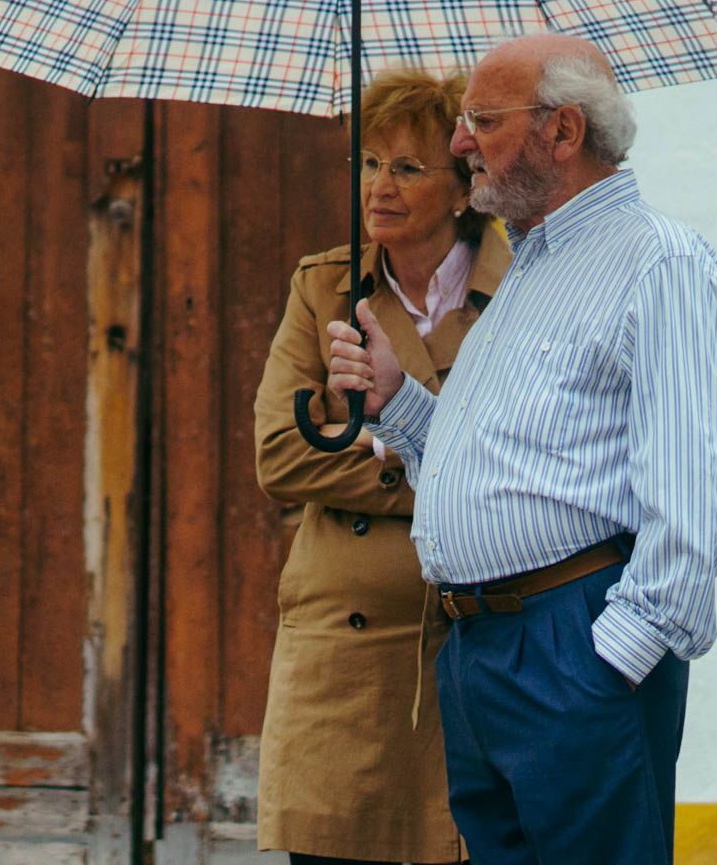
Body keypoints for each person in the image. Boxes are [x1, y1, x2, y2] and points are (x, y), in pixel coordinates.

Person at [325, 34, 717, 865]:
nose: (457, 143)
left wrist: (609, 665)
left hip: (571, 642)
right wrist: (398, 402)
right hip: (481, 651)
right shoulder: (531, 264)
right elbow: (514, 461)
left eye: (481, 119)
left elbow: (697, 491)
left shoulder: (658, 263)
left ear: (562, 131)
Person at [254, 67, 509, 865]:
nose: (379, 186)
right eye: (369, 163)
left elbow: (518, 464)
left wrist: (378, 438)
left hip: (475, 635)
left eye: (406, 167)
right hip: (343, 653)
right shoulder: (326, 287)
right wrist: (438, 471)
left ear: (465, 186)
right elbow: (282, 455)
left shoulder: (527, 289)